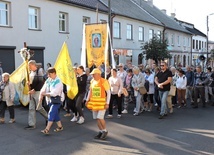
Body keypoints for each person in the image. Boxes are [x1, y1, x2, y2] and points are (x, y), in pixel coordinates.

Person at [85, 68, 111, 140]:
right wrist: (87, 100)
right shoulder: (92, 81)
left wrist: (107, 103)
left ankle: (105, 130)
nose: (93, 76)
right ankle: (100, 131)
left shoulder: (104, 81)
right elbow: (90, 91)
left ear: (98, 74)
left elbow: (108, 92)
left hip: (102, 103)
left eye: (94, 74)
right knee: (97, 118)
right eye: (92, 74)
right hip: (94, 103)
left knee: (100, 117)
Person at [38, 67, 64, 134]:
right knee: (55, 114)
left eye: (49, 74)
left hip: (57, 100)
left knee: (51, 113)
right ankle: (60, 127)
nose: (48, 76)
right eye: (48, 74)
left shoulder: (59, 81)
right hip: (49, 100)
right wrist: (41, 95)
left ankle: (47, 129)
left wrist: (45, 94)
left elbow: (54, 93)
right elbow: (43, 88)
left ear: (54, 73)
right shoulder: (48, 80)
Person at [25, 60, 48, 130]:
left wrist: (34, 89)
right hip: (32, 92)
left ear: (33, 65)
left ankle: (49, 118)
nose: (28, 67)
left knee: (39, 108)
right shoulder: (31, 72)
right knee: (31, 108)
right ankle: (31, 124)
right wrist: (29, 84)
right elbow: (32, 82)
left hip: (37, 92)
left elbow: (41, 83)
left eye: (29, 65)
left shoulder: (39, 71)